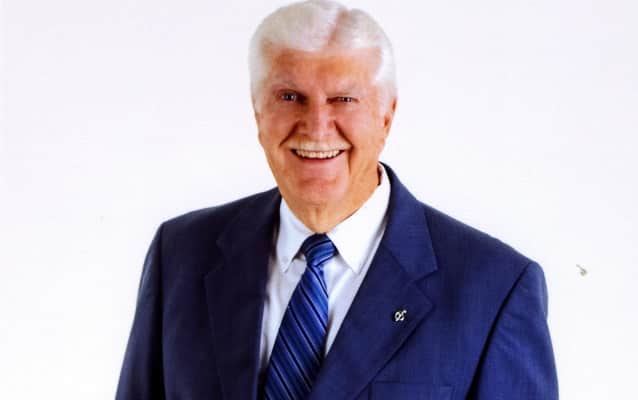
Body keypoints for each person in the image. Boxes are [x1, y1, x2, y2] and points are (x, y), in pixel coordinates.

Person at [116, 1, 558, 399]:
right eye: (290, 97)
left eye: (343, 99)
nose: (316, 126)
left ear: (386, 116)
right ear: (257, 111)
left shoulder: (494, 288)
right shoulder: (181, 254)